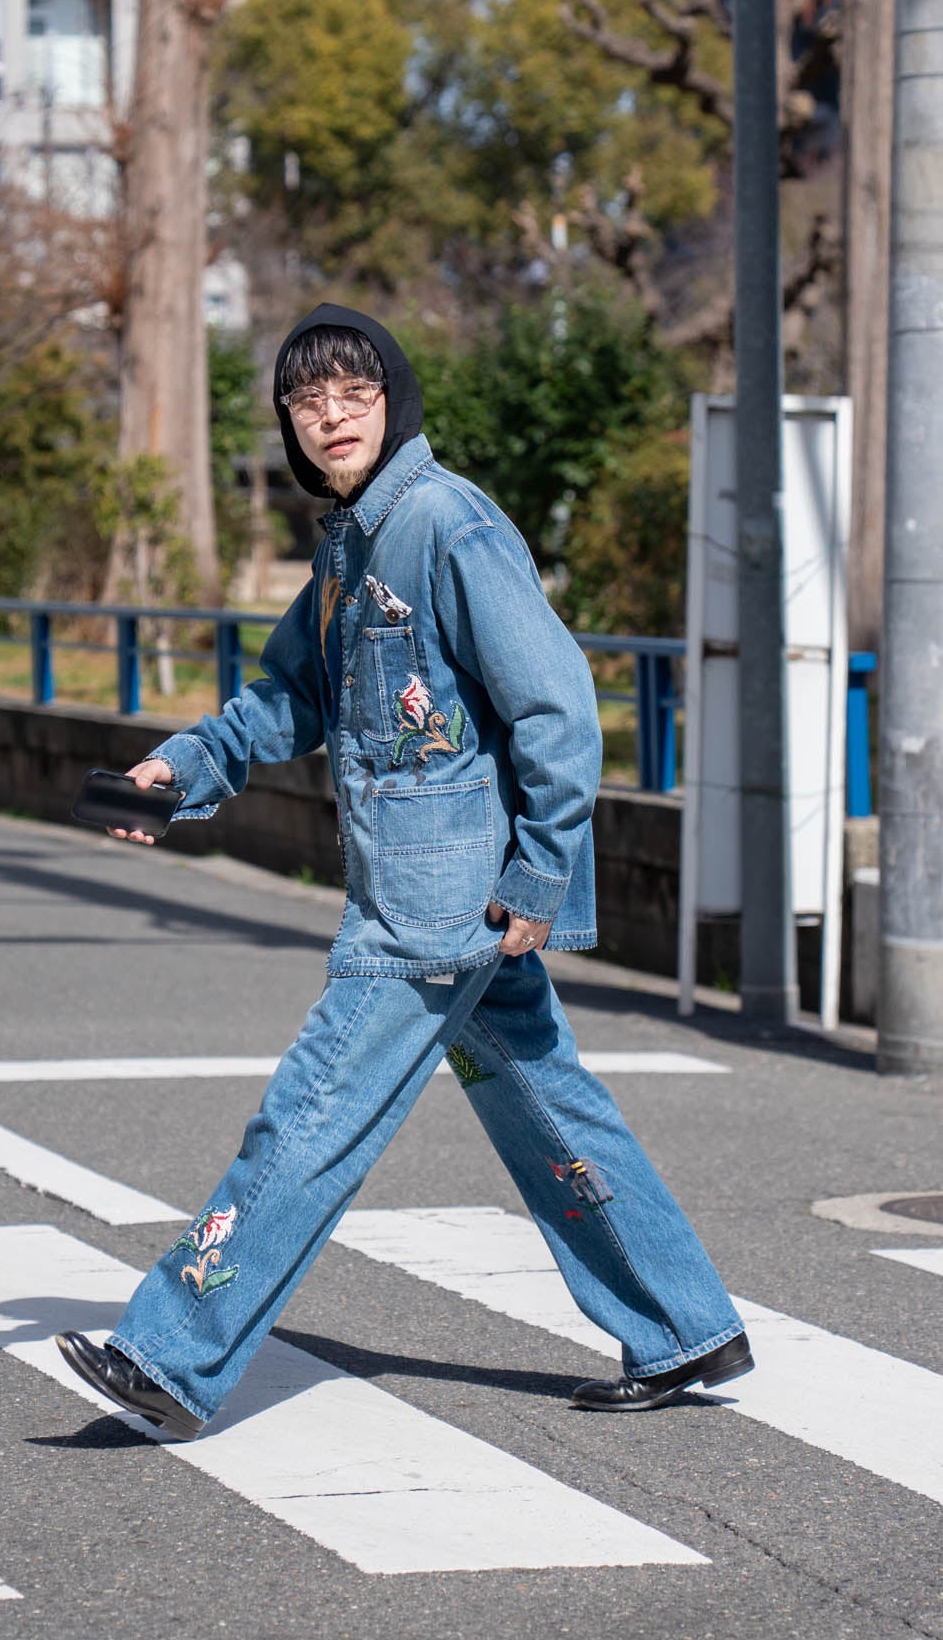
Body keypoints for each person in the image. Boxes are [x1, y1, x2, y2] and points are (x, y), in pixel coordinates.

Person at [57, 304, 751, 1440]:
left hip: (440, 910)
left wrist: (538, 878)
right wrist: (178, 772)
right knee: (546, 1102)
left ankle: (171, 1354)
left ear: (394, 401)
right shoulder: (348, 540)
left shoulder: (442, 520)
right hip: (429, 889)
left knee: (308, 1118)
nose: (330, 417)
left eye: (353, 394)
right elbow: (292, 693)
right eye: (307, 400)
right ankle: (681, 1319)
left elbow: (558, 706)